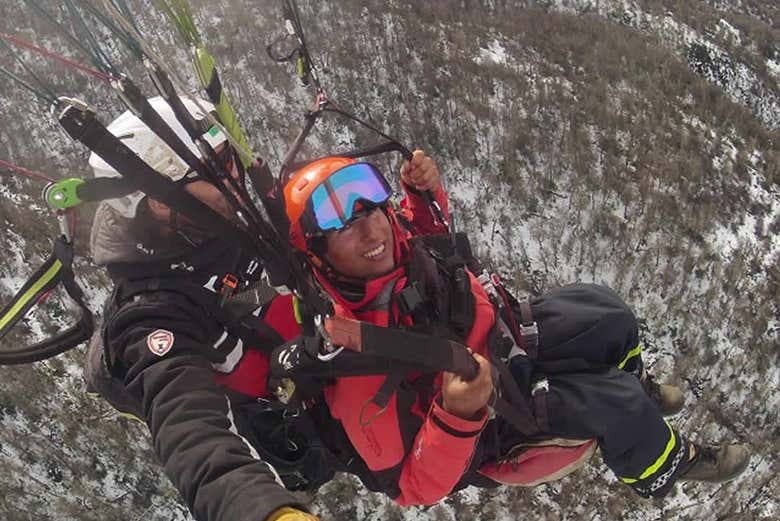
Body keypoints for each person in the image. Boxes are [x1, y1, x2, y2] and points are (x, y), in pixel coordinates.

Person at [256, 151, 751, 505]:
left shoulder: (393, 245)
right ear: (318, 258)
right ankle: (665, 466)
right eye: (345, 228)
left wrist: (423, 191)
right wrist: (457, 414)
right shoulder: (356, 370)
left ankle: (642, 393)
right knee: (613, 401)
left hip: (503, 338)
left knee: (610, 314)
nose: (372, 232)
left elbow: (424, 231)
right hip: (489, 420)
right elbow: (413, 487)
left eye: (372, 212)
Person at [83, 96, 320, 521]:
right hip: (294, 429)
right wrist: (265, 512)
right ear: (158, 202)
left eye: (226, 157)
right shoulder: (152, 313)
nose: (230, 176)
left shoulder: (223, 215)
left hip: (315, 351)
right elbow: (189, 432)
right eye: (209, 171)